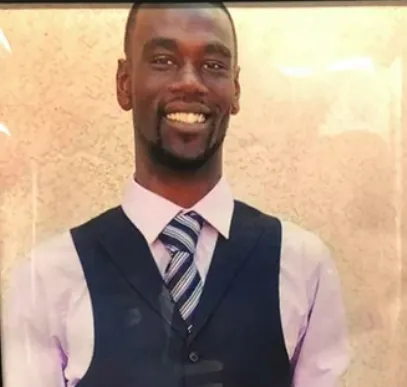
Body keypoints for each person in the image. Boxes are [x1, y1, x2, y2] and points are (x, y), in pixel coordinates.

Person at [1, 2, 350, 387]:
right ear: (124, 82)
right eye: (164, 60)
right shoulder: (47, 279)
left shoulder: (305, 266)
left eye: (213, 65)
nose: (189, 82)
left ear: (235, 89)